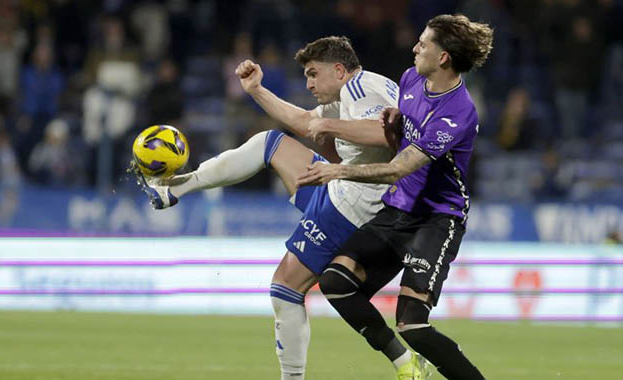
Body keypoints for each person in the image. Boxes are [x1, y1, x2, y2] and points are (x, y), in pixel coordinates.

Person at [134, 36, 430, 379]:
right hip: (342, 188)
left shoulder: (363, 89)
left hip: (355, 206)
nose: (309, 83)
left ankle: (331, 373)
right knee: (270, 143)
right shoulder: (352, 92)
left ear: (338, 70)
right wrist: (257, 90)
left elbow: (386, 133)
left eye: (313, 74)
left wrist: (328, 126)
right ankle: (177, 187)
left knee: (286, 288)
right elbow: (305, 122)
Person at [297, 14, 493, 380]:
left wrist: (338, 170)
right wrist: (396, 119)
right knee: (336, 283)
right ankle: (407, 365)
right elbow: (405, 122)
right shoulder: (411, 79)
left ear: (444, 57)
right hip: (399, 208)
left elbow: (399, 168)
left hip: (437, 217)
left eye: (423, 43)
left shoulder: (457, 114)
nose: (415, 47)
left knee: (412, 324)